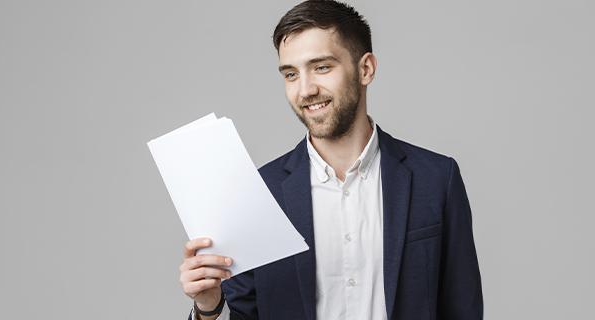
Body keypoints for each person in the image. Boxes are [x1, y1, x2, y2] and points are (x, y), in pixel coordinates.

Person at [178, 1, 483, 319]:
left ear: (365, 69)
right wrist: (207, 308)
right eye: (291, 74)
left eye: (322, 67)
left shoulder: (435, 179)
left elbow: (463, 309)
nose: (306, 89)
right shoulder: (257, 193)